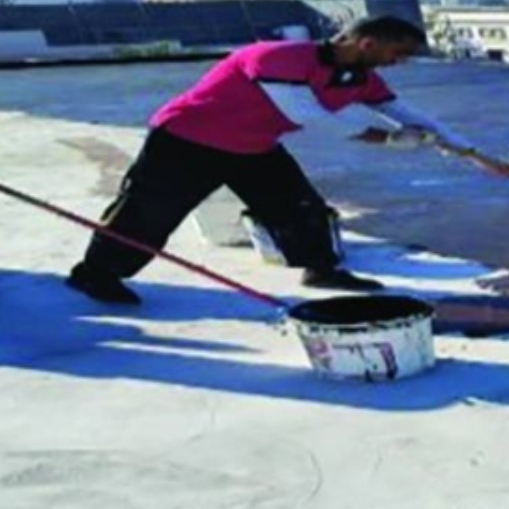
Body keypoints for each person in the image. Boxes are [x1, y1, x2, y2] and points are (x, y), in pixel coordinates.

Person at [67, 15, 455, 305]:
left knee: (299, 206)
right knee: (148, 212)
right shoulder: (278, 58)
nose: (399, 62)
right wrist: (388, 140)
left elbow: (410, 116)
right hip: (187, 140)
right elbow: (312, 119)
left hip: (253, 145)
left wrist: (466, 149)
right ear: (368, 43)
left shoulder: (361, 78)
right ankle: (95, 275)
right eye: (398, 53)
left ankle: (320, 269)